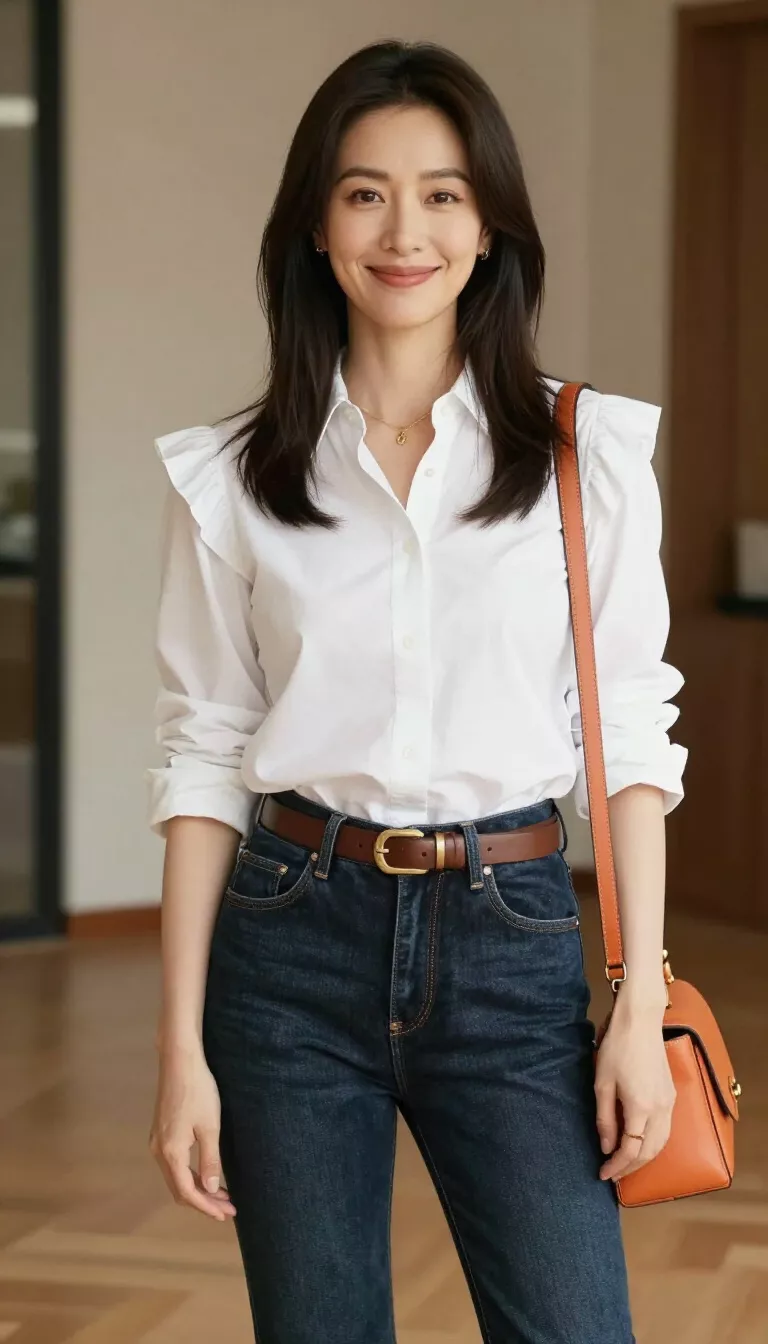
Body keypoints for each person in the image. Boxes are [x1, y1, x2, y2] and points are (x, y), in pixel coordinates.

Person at [147, 39, 686, 1344]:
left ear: (489, 224)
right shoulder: (230, 479)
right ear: (317, 227)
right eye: (365, 192)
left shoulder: (585, 457)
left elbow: (628, 736)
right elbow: (203, 751)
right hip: (289, 945)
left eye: (443, 193)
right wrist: (180, 1055)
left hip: (511, 944)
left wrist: (641, 1003)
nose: (406, 230)